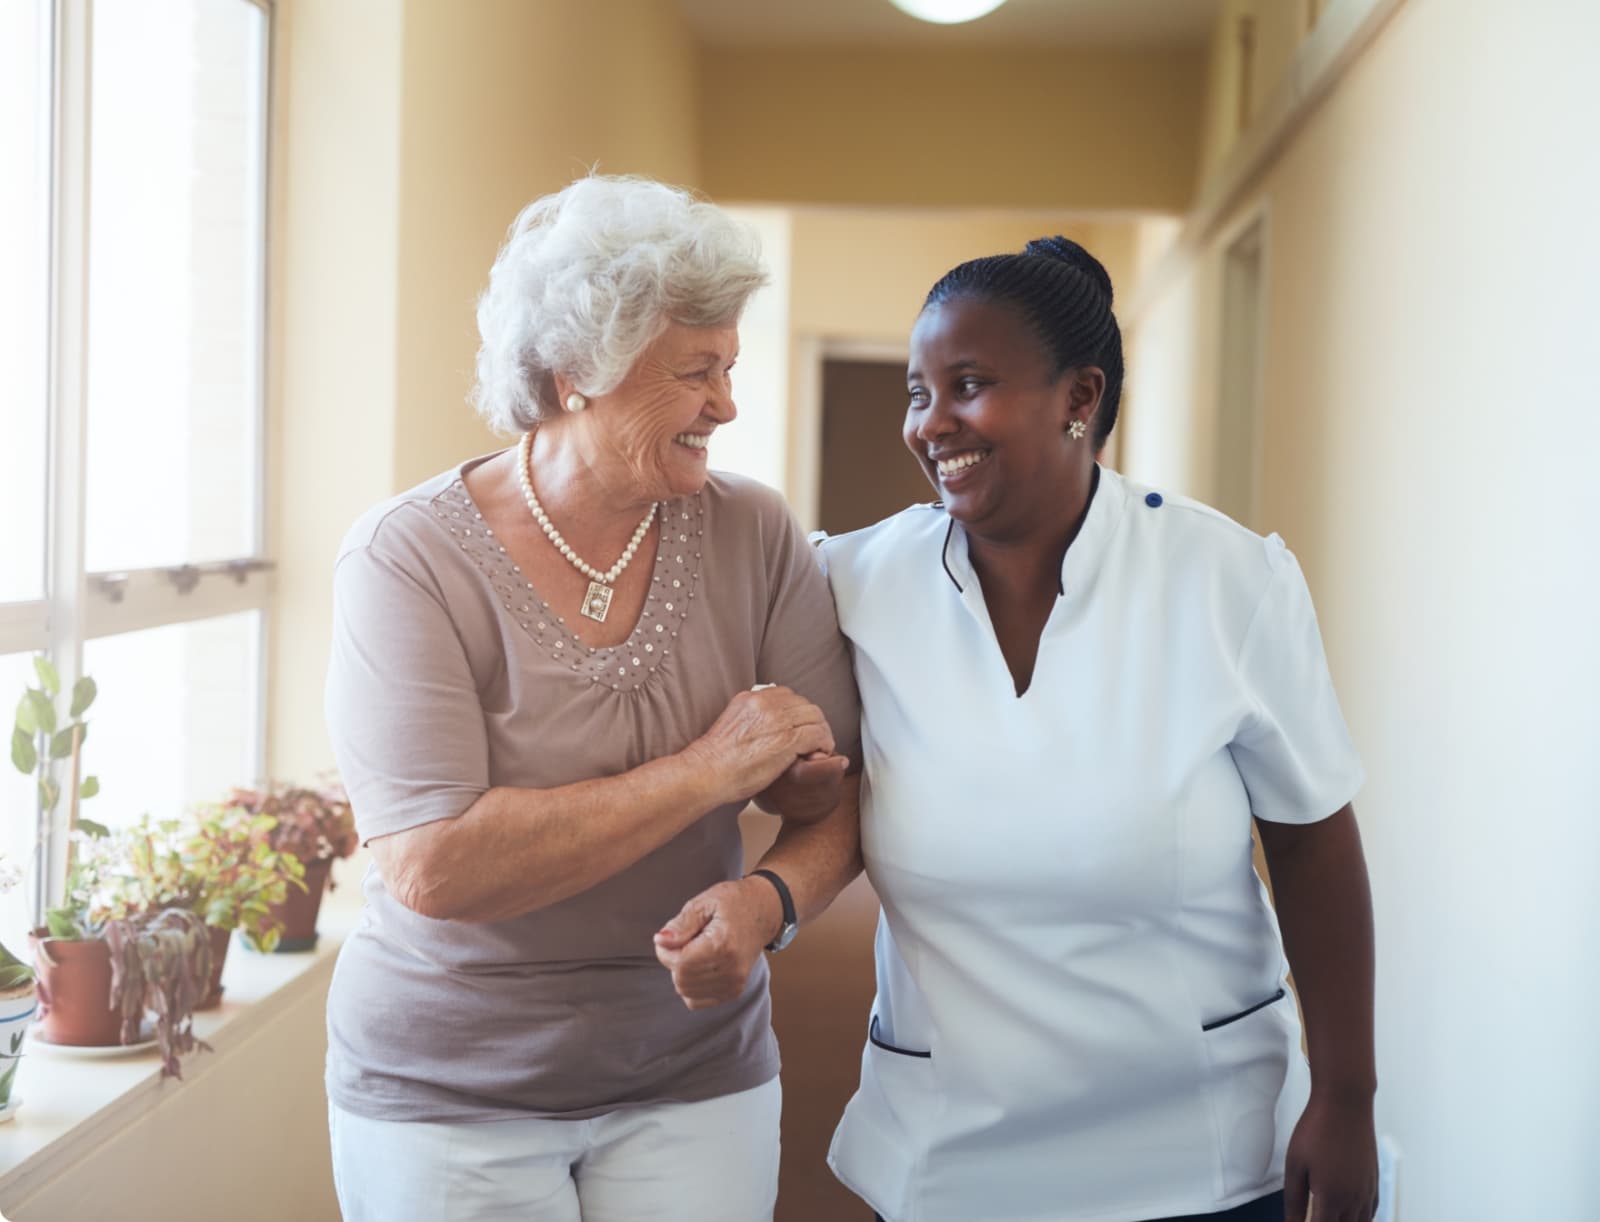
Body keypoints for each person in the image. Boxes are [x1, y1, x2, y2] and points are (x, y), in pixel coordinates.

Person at [671, 235, 1378, 1221]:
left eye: (968, 384)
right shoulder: (852, 582)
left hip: (1201, 1148)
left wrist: (1347, 1096)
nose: (930, 424)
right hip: (950, 1152)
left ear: (1079, 397)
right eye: (918, 392)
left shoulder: (1225, 581)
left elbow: (1310, 840)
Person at [322, 175, 861, 1222]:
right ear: (576, 373)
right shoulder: (407, 557)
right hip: (447, 1091)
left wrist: (768, 898)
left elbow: (833, 799)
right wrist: (709, 771)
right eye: (696, 371)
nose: (728, 405)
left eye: (731, 367)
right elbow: (435, 863)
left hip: (694, 1069)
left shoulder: (753, 532)